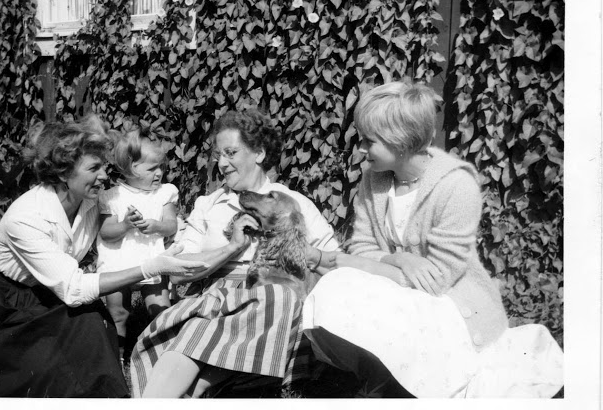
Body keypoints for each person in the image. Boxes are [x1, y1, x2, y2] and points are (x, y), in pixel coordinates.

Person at [301, 81, 564, 397]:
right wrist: (399, 258)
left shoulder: (455, 184)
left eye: (369, 141)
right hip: (400, 290)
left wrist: (378, 268)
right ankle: (381, 380)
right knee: (336, 284)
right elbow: (361, 246)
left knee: (363, 291)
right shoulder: (374, 180)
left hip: (451, 301)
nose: (360, 148)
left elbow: (437, 277)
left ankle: (393, 387)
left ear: (399, 142)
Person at [0, 114, 208, 398]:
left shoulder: (91, 201)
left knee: (92, 329)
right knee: (26, 377)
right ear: (63, 174)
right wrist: (150, 268)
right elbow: (74, 288)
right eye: (93, 168)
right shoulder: (26, 217)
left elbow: (144, 221)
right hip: (2, 301)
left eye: (103, 166)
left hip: (50, 293)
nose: (104, 176)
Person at [130, 108, 341, 398]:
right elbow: (176, 271)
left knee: (274, 298)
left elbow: (334, 265)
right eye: (218, 155)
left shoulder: (292, 203)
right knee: (200, 329)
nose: (222, 163)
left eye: (231, 153)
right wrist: (231, 248)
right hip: (218, 301)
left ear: (259, 153)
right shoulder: (209, 205)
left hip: (272, 306)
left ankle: (187, 391)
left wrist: (294, 254)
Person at [97, 125, 178, 358]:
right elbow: (106, 232)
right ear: (131, 168)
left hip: (151, 259)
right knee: (118, 313)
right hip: (118, 262)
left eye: (161, 167)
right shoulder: (112, 197)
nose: (159, 173)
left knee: (160, 310)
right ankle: (118, 357)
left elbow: (171, 225)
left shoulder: (164, 193)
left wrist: (156, 226)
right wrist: (125, 225)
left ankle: (164, 355)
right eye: (152, 168)